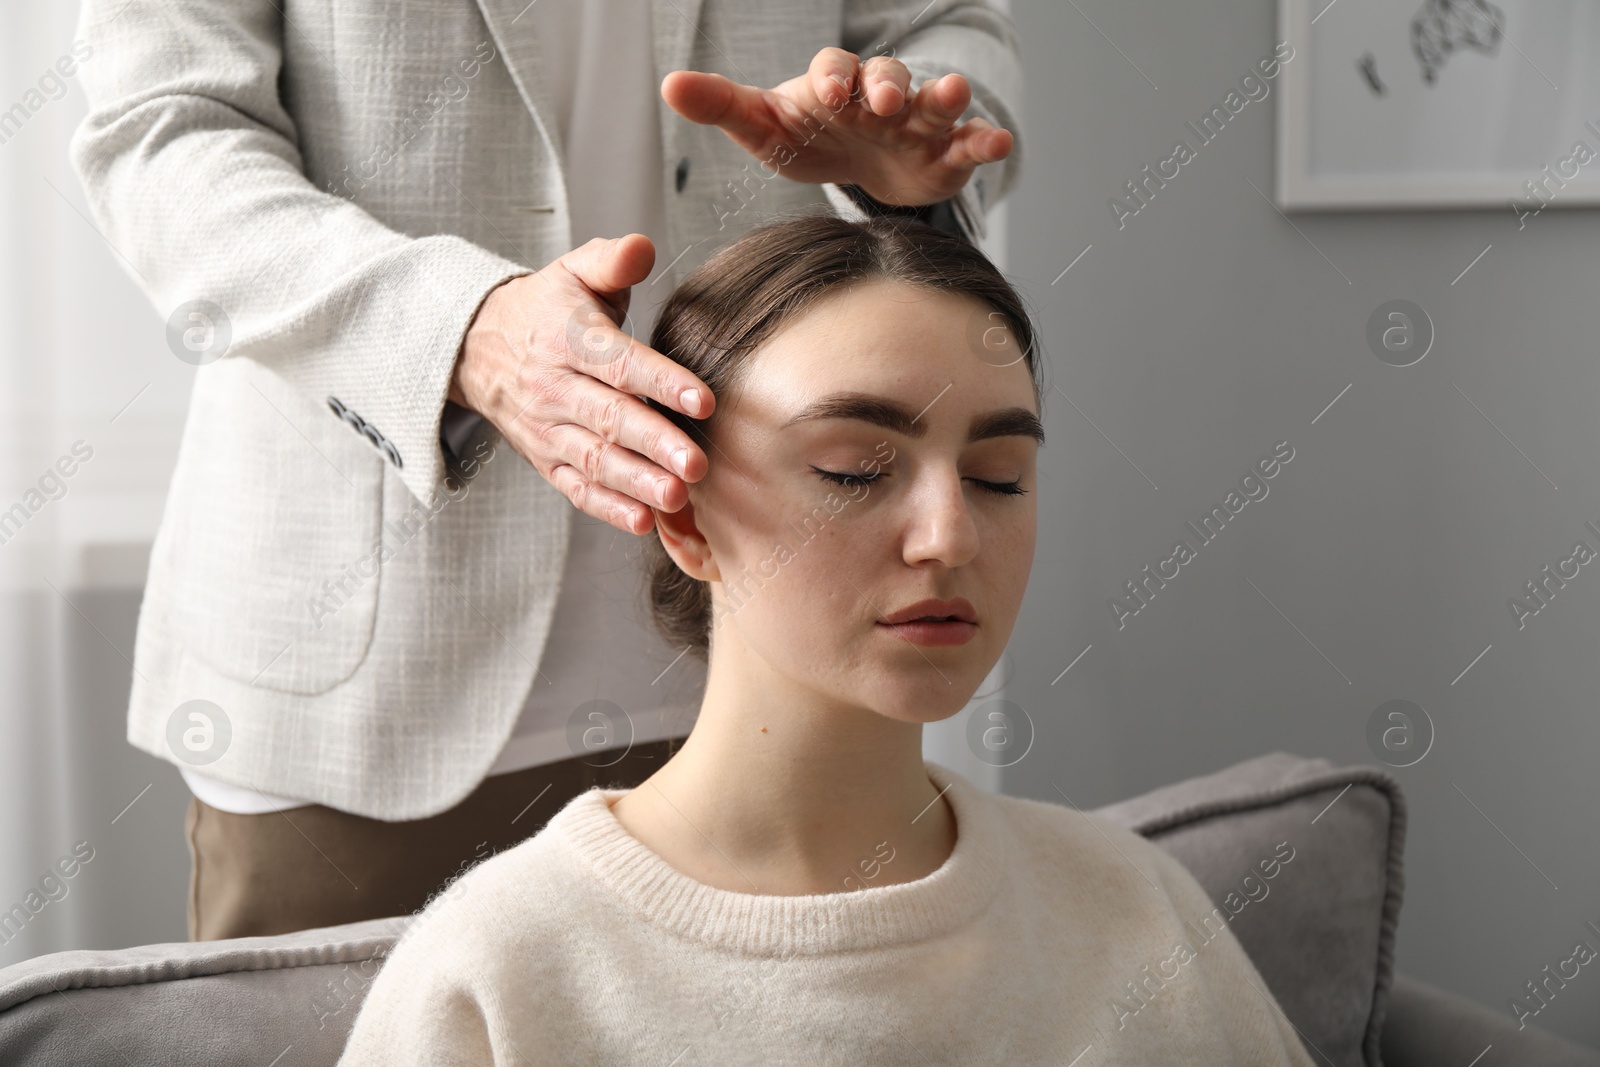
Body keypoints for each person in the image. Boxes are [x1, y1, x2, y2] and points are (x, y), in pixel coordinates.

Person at [67, 0, 1022, 938]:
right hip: (359, 692)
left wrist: (911, 137)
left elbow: (947, 28)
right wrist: (459, 331)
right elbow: (163, 136)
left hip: (759, 680)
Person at [334, 214, 1317, 1067]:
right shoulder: (501, 967)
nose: (950, 534)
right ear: (683, 520)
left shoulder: (1131, 906)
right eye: (853, 469)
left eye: (999, 476)